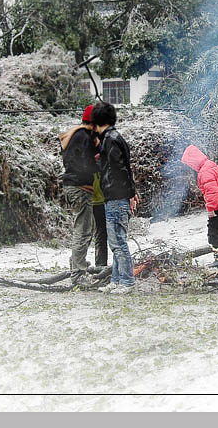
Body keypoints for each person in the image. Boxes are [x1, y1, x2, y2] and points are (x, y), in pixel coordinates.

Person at [91, 101, 139, 295]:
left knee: (118, 243)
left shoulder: (110, 139)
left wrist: (128, 194)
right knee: (115, 242)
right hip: (116, 197)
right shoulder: (113, 138)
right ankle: (116, 280)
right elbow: (124, 167)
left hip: (116, 198)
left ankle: (127, 282)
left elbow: (119, 170)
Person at [59, 105, 100, 285]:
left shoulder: (74, 135)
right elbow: (85, 164)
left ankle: (76, 264)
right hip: (80, 187)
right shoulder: (85, 137)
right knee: (83, 231)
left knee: (83, 229)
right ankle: (78, 273)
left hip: (73, 186)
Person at [179, 145, 218, 268]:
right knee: (217, 231)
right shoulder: (210, 165)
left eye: (189, 164)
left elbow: (212, 192)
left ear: (193, 160)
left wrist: (211, 209)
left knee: (214, 232)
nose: (190, 167)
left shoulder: (205, 171)